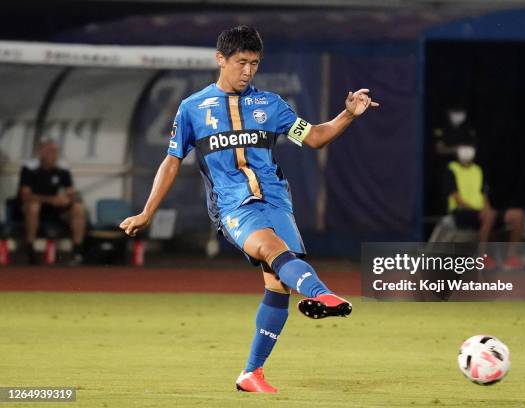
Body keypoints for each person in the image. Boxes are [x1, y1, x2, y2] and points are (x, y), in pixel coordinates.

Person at [119, 26, 379, 393]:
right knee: (274, 251)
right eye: (241, 62)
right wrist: (147, 212)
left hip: (276, 202)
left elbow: (316, 137)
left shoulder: (271, 105)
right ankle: (320, 292)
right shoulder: (193, 107)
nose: (247, 71)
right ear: (220, 59)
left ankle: (251, 374)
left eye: (254, 63)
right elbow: (172, 160)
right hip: (232, 205)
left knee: (277, 286)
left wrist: (348, 114)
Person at [445, 142, 525, 269]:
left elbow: (484, 196)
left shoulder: (478, 170)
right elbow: (457, 198)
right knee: (489, 215)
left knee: (518, 215)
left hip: (482, 212)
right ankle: (481, 257)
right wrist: (483, 212)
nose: (466, 151)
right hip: (462, 213)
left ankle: (512, 257)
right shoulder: (452, 169)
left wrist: (486, 209)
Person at [18, 139, 86, 264]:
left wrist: (66, 199)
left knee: (78, 208)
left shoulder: (62, 171)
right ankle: (30, 249)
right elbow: (25, 195)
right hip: (35, 208)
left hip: (55, 209)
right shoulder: (29, 169)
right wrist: (51, 199)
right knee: (34, 207)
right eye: (49, 151)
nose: (52, 154)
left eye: (55, 151)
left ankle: (77, 251)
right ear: (41, 152)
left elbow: (72, 192)